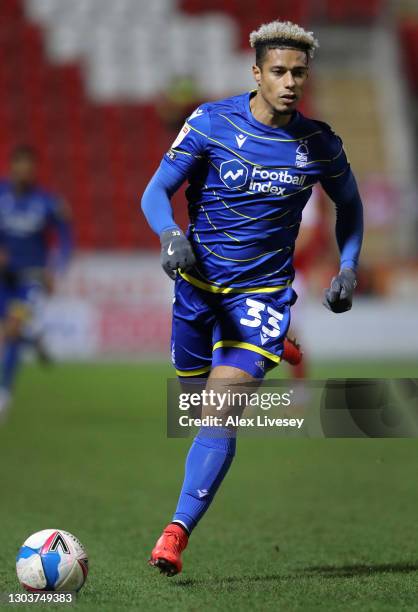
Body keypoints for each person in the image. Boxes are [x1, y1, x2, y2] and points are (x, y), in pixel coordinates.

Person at [141, 20, 363, 576]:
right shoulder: (212, 122)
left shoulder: (319, 143)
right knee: (193, 407)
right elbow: (155, 191)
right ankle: (276, 344)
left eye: (299, 73)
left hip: (261, 295)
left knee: (220, 410)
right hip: (197, 289)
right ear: (257, 72)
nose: (291, 83)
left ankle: (175, 534)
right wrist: (170, 235)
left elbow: (351, 206)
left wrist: (350, 266)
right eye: (280, 72)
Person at [0, 146, 72, 418]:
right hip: (4, 279)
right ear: (12, 167)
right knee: (12, 334)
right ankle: (36, 338)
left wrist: (56, 269)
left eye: (28, 167)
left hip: (31, 278)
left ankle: (3, 396)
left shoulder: (47, 202)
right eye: (19, 166)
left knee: (12, 329)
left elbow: (66, 239)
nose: (24, 172)